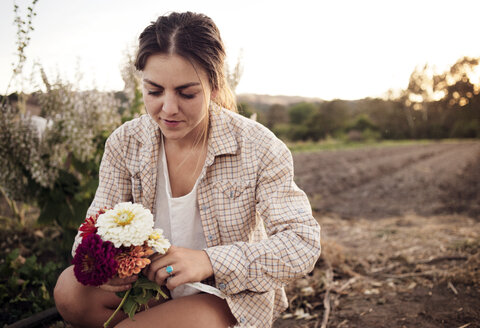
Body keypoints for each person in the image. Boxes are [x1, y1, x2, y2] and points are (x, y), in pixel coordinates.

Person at [54, 11, 320, 328]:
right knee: (70, 292)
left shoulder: (258, 147)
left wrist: (208, 260)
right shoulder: (125, 143)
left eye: (187, 93)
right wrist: (103, 262)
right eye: (154, 91)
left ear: (215, 86)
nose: (168, 109)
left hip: (225, 294)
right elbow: (93, 225)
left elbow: (302, 243)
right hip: (153, 286)